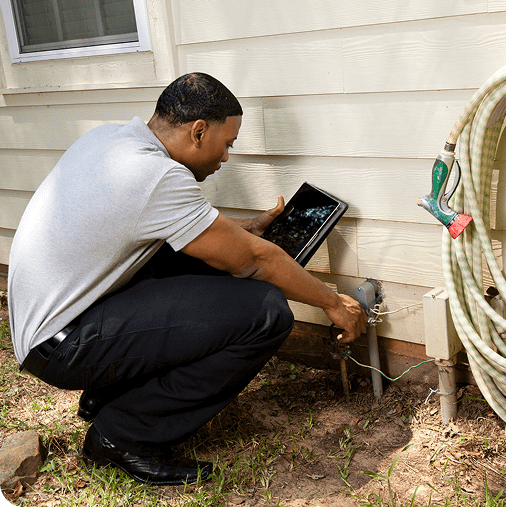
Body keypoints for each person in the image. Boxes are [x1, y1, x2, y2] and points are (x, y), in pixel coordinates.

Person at [7, 73, 367, 486]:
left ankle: (107, 391)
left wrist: (243, 229)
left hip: (53, 326)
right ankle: (121, 436)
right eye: (227, 143)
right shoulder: (156, 176)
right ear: (199, 132)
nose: (227, 157)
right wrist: (333, 303)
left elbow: (181, 227)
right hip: (63, 345)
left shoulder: (112, 140)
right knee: (265, 312)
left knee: (195, 258)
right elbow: (254, 263)